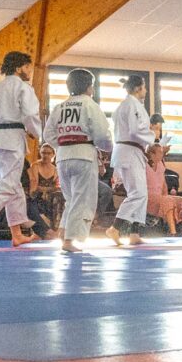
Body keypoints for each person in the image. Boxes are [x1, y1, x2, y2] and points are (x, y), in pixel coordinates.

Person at [0, 50, 42, 248]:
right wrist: (35, 132)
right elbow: (29, 114)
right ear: (19, 67)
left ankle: (17, 233)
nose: (30, 71)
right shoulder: (22, 87)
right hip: (13, 140)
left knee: (14, 186)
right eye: (28, 67)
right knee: (9, 185)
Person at [46, 68, 112, 253]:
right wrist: (106, 147)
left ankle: (64, 230)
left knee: (71, 199)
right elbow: (102, 134)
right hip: (83, 155)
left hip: (62, 156)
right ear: (90, 87)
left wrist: (62, 144)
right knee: (82, 199)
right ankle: (70, 240)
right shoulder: (90, 105)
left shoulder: (59, 107)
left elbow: (48, 134)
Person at [108, 73, 157, 243]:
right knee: (138, 193)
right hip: (129, 151)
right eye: (144, 87)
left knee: (140, 192)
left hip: (130, 151)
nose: (145, 91)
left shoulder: (125, 105)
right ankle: (115, 227)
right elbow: (135, 130)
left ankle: (134, 233)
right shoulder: (132, 105)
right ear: (138, 88)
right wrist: (153, 136)